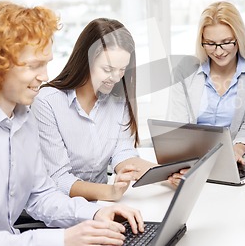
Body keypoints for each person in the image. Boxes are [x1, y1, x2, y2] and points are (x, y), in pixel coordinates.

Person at [0, 2, 144, 245]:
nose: (45, 76)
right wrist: (63, 239)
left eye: (46, 63)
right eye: (34, 65)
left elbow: (41, 196)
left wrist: (96, 213)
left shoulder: (23, 119)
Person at [32, 18, 158, 202]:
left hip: (101, 205)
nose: (115, 78)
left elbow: (123, 154)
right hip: (60, 210)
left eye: (122, 69)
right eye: (108, 69)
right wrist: (110, 192)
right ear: (86, 60)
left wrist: (164, 173)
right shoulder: (47, 103)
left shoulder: (117, 101)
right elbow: (58, 179)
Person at [168, 1, 245, 163]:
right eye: (210, 43)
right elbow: (178, 124)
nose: (218, 51)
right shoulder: (184, 70)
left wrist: (236, 151)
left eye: (226, 42)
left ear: (239, 38)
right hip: (190, 158)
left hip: (231, 160)